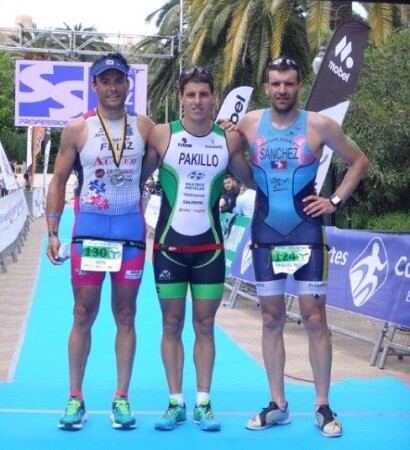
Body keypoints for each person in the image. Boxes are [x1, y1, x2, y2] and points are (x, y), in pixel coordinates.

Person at [236, 56, 369, 437]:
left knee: (314, 318)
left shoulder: (319, 124)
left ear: (299, 85)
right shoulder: (247, 123)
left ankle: (323, 406)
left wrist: (335, 201)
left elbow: (358, 160)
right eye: (275, 83)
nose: (282, 90)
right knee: (270, 318)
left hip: (307, 234)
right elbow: (226, 155)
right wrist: (248, 181)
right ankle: (277, 404)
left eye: (289, 84)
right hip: (264, 234)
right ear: (266, 86)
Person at [141, 66, 254, 432]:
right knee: (171, 324)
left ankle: (203, 403)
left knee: (205, 326)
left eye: (204, 94)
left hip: (210, 250)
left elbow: (253, 178)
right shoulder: (162, 136)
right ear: (181, 99)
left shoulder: (229, 140)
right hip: (169, 247)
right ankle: (176, 402)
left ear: (213, 98)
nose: (197, 101)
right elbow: (133, 175)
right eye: (190, 94)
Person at [46, 52, 155, 431]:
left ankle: (121, 398)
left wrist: (224, 124)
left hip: (129, 232)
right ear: (94, 86)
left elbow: (184, 139)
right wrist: (52, 231)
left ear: (128, 84)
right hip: (89, 231)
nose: (112, 87)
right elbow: (58, 181)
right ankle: (75, 397)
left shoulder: (145, 127)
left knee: (126, 315)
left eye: (118, 80)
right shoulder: (77, 129)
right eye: (105, 80)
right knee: (82, 314)